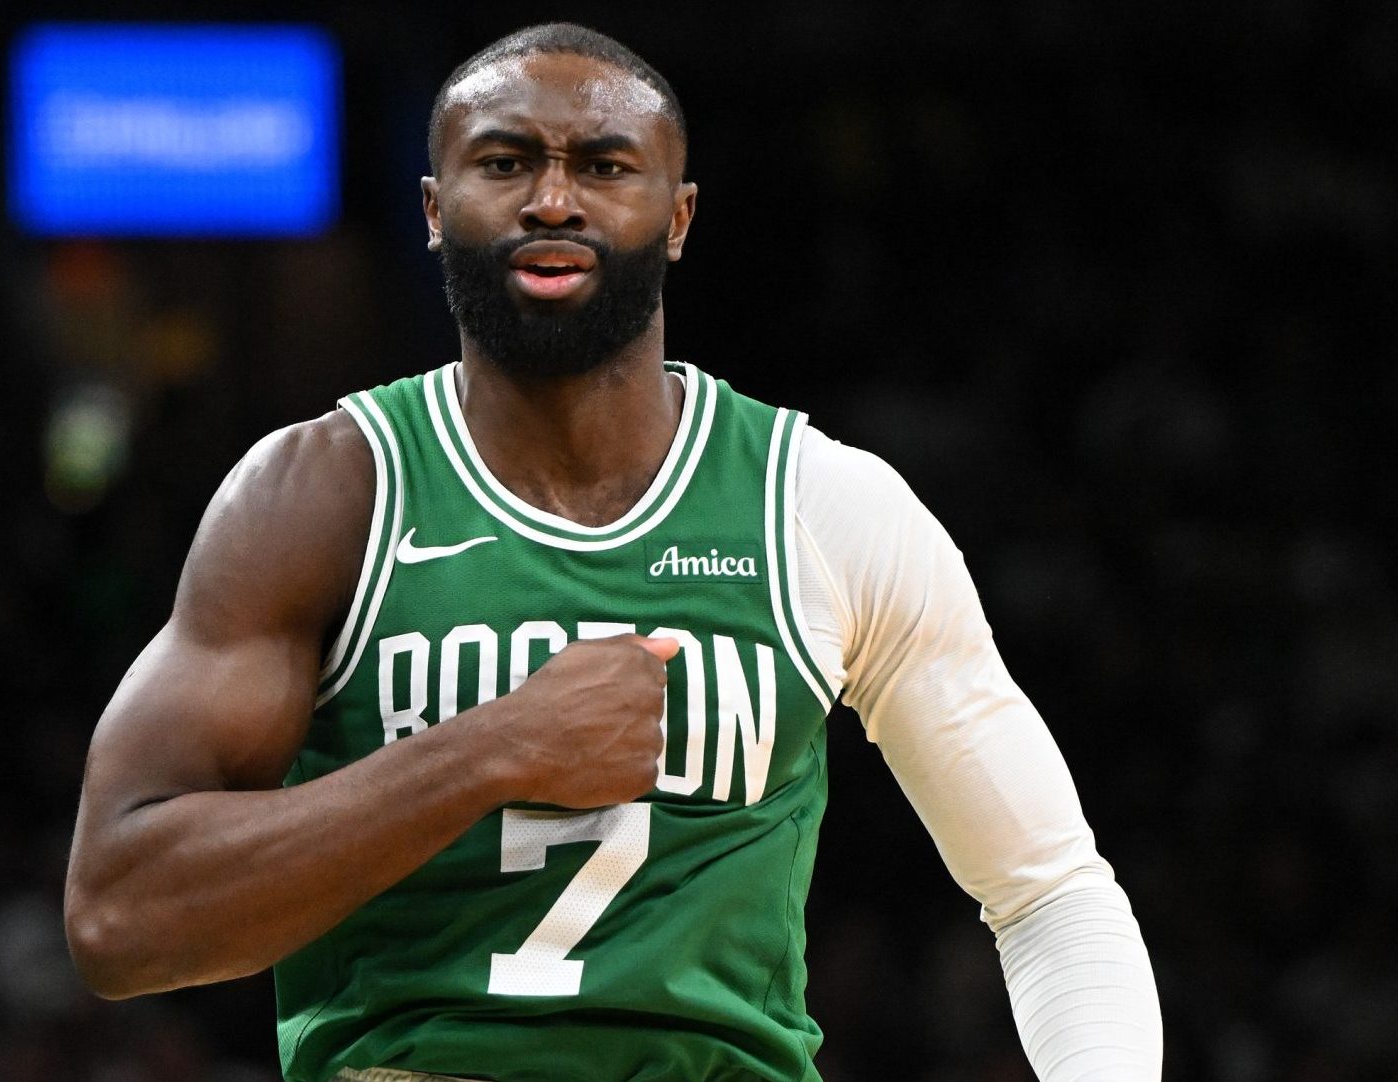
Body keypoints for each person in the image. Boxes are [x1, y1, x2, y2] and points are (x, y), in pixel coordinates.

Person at [64, 22, 1162, 1082]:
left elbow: (1048, 890)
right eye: (507, 163)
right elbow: (119, 917)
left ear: (677, 216)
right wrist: (493, 750)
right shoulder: (318, 494)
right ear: (438, 211)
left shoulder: (825, 505)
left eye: (603, 165)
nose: (553, 199)